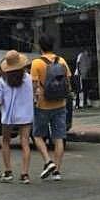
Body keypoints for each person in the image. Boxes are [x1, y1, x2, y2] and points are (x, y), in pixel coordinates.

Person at [30, 34, 71, 181]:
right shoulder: (62, 61)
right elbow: (67, 81)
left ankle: (48, 161)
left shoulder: (36, 63)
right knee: (59, 137)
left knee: (37, 135)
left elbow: (34, 86)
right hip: (60, 104)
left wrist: (34, 99)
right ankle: (57, 171)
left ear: (40, 47)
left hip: (42, 104)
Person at [0, 50, 34, 184]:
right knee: (25, 142)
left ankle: (8, 171)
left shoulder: (3, 80)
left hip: (9, 116)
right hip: (25, 115)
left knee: (5, 141)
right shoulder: (28, 78)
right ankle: (25, 174)